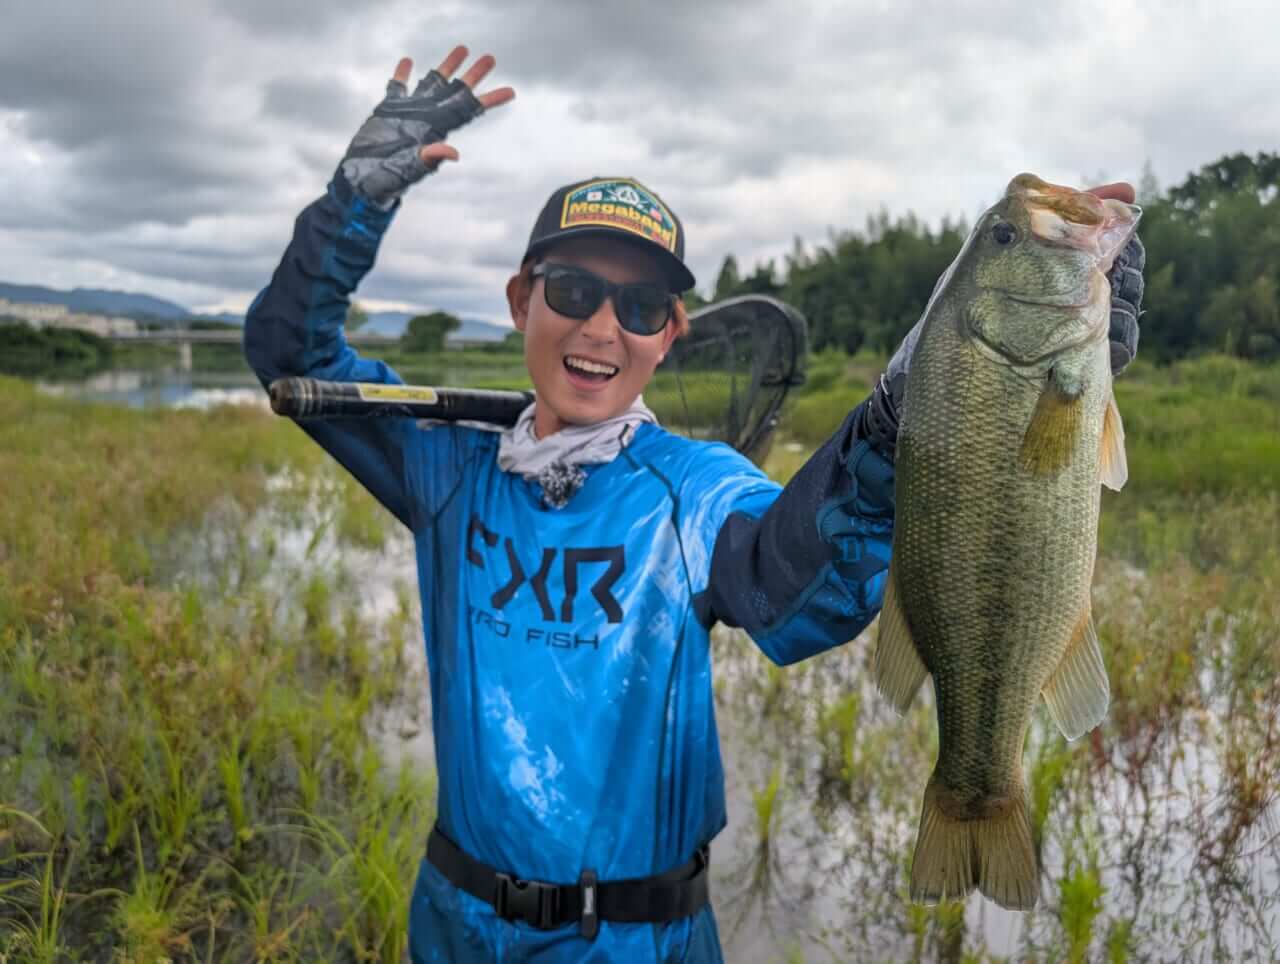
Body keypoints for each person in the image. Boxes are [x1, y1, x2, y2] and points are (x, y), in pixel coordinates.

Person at [244, 46, 1145, 964]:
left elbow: (798, 590)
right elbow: (291, 353)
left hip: (644, 937)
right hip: (453, 924)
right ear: (522, 301)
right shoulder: (447, 468)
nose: (602, 328)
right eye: (573, 291)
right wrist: (353, 203)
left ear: (669, 335)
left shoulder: (696, 489)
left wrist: (908, 411)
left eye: (639, 307)